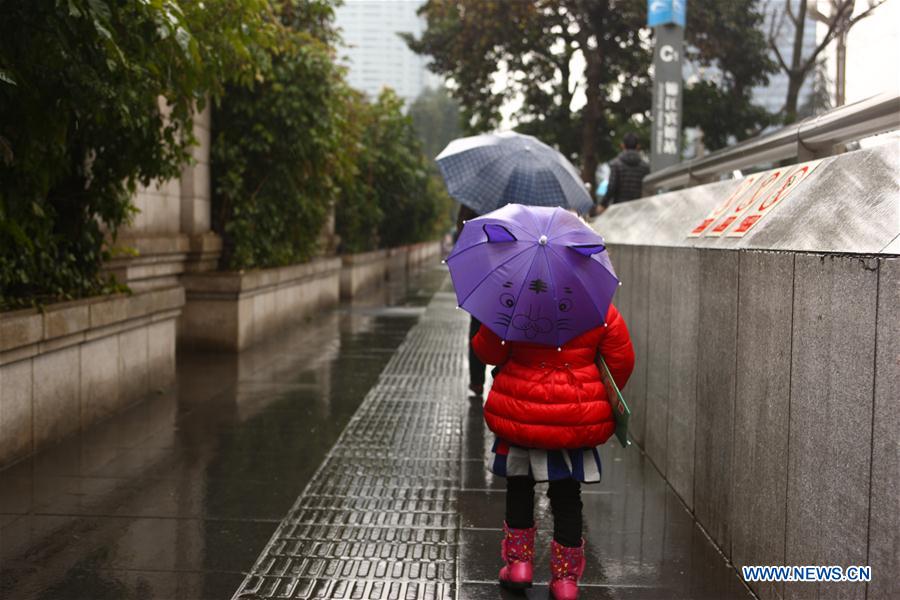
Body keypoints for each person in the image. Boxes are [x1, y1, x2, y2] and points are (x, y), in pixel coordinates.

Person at [472, 303, 635, 598]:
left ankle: (519, 565)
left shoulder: (513, 302)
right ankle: (565, 581)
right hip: (573, 416)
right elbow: (621, 360)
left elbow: (488, 352)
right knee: (567, 495)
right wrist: (592, 393)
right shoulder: (597, 306)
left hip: (521, 409)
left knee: (520, 485)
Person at [455, 203, 487, 397]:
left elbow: (461, 228)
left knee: (477, 325)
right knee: (508, 325)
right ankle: (502, 375)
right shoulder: (520, 202)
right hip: (511, 270)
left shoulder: (475, 199)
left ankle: (477, 381)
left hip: (479, 266)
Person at [592, 132, 649, 217]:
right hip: (638, 209)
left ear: (622, 145)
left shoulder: (616, 164)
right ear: (638, 146)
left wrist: (603, 205)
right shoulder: (645, 167)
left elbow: (612, 187)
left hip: (619, 208)